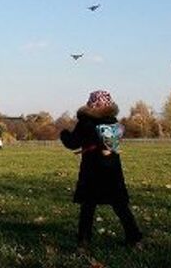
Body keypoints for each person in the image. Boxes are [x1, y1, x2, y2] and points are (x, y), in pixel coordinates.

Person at [60, 90, 142, 247]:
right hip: (112, 168)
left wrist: (64, 134)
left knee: (88, 206)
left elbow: (73, 143)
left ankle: (84, 241)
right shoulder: (113, 121)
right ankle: (135, 238)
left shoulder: (85, 122)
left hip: (91, 169)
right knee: (120, 205)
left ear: (91, 104)